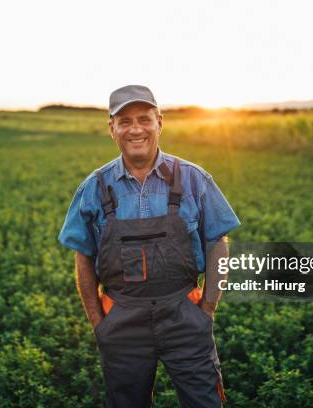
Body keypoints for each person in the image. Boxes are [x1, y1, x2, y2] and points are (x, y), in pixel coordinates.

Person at [58, 85, 240, 407]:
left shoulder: (194, 179)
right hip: (121, 321)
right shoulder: (94, 188)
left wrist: (208, 308)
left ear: (160, 122)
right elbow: (83, 257)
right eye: (125, 121)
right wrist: (99, 323)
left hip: (184, 314)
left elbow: (218, 242)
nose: (136, 129)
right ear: (111, 127)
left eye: (144, 119)